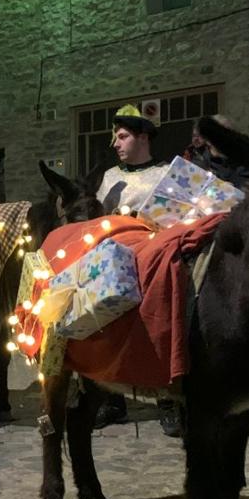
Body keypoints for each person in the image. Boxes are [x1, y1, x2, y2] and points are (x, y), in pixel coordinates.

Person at [92, 106, 172, 432]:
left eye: (122, 136)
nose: (115, 143)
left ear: (143, 136)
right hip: (116, 262)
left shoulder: (168, 174)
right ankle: (113, 402)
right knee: (107, 330)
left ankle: (168, 402)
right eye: (115, 136)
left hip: (156, 262)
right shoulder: (110, 178)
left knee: (160, 328)